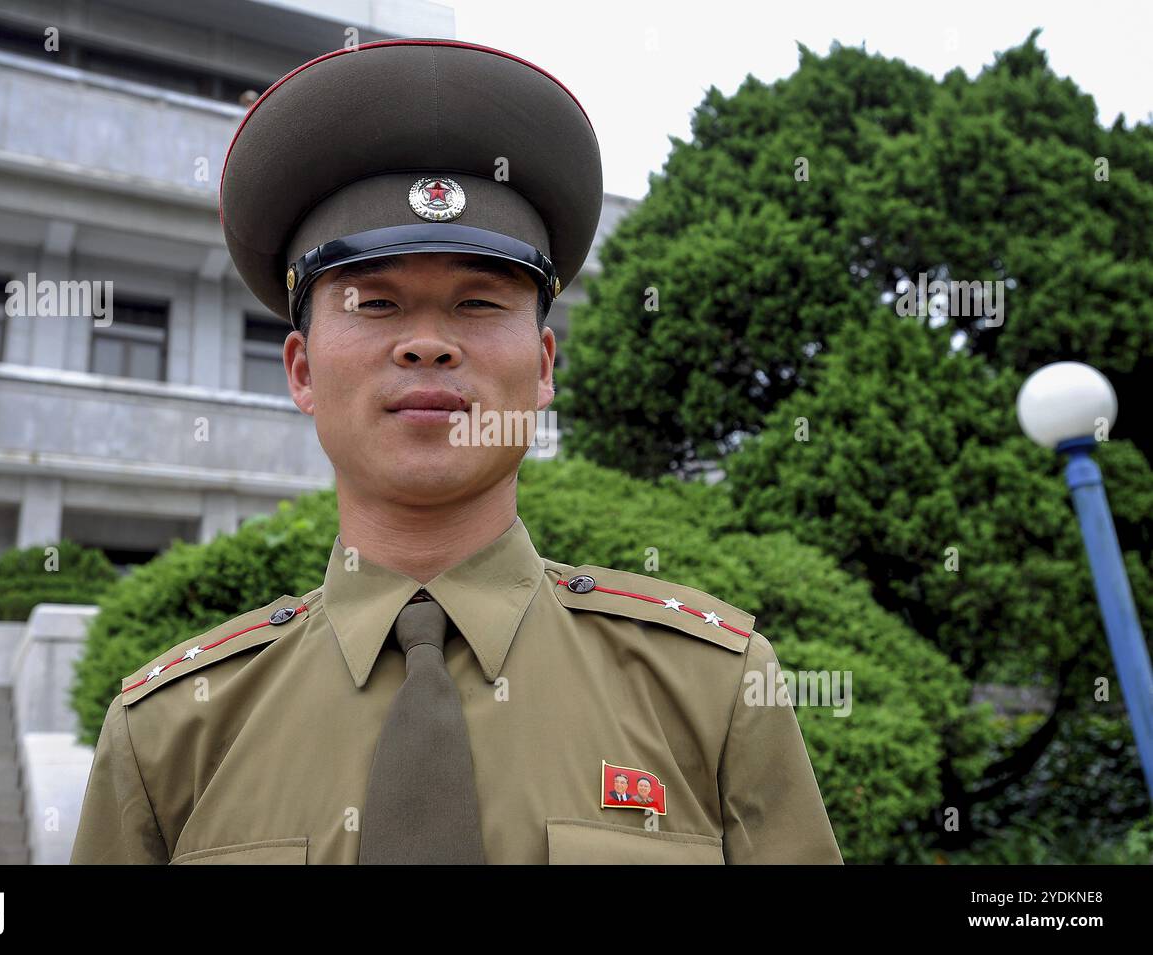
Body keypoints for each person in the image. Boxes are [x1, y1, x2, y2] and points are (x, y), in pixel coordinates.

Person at [71, 37, 842, 865]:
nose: (428, 344)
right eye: (375, 303)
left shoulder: (711, 690)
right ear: (300, 369)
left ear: (544, 367)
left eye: (478, 301)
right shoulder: (172, 732)